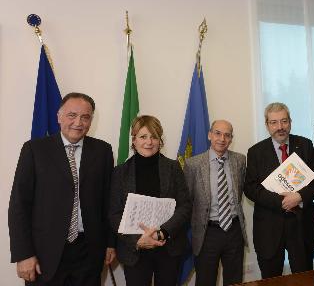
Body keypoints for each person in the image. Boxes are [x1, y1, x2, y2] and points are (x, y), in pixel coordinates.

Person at [8, 92, 115, 285]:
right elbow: (19, 205)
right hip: (44, 254)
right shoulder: (34, 150)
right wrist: (23, 254)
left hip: (89, 252)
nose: (78, 122)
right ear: (59, 117)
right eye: (71, 115)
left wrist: (110, 243)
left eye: (85, 117)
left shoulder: (103, 151)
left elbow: (108, 201)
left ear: (91, 120)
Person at [109, 115, 192, 286]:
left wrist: (163, 233)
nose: (149, 142)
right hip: (135, 250)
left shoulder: (173, 167)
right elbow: (114, 213)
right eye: (143, 136)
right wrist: (138, 240)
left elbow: (185, 206)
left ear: (160, 140)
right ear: (134, 140)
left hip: (168, 247)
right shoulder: (120, 172)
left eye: (154, 136)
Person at [244, 102, 314, 278]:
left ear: (290, 122)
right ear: (267, 125)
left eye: (284, 121)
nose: (280, 127)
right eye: (274, 122)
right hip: (269, 229)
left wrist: (299, 196)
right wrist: (283, 201)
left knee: (304, 280)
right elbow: (250, 188)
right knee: (271, 281)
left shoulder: (306, 145)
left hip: (302, 227)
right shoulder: (256, 152)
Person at [183, 120, 247, 286]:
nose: (222, 138)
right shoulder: (193, 164)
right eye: (218, 133)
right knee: (205, 281)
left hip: (234, 230)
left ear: (231, 138)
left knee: (235, 281)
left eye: (227, 135)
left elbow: (238, 193)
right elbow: (187, 201)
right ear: (210, 135)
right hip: (207, 233)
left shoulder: (240, 160)